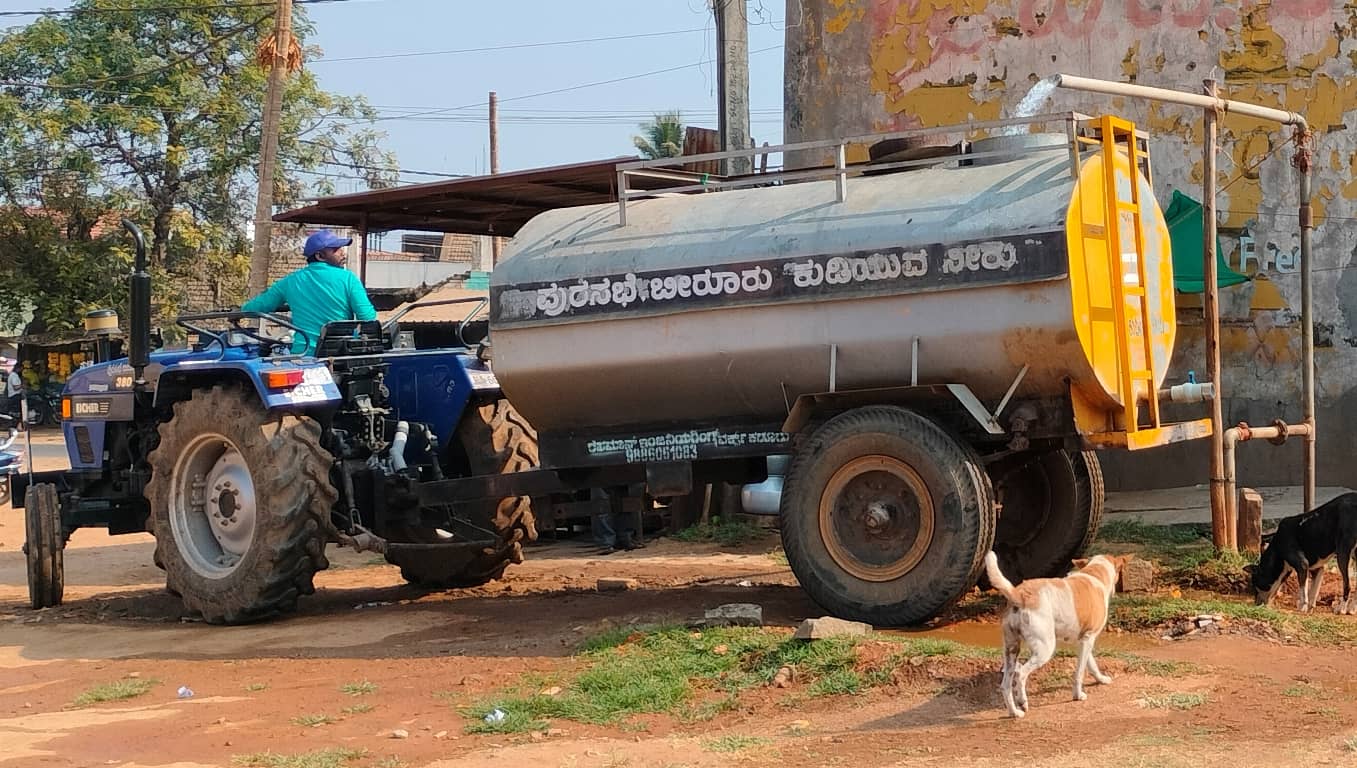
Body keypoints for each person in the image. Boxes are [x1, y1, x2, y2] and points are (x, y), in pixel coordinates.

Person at [242, 230, 377, 355]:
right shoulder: (348, 278)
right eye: (336, 250)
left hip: (304, 356)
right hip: (341, 355)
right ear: (320, 256)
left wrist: (239, 309)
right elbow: (367, 317)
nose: (343, 253)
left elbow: (259, 306)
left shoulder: (290, 281)